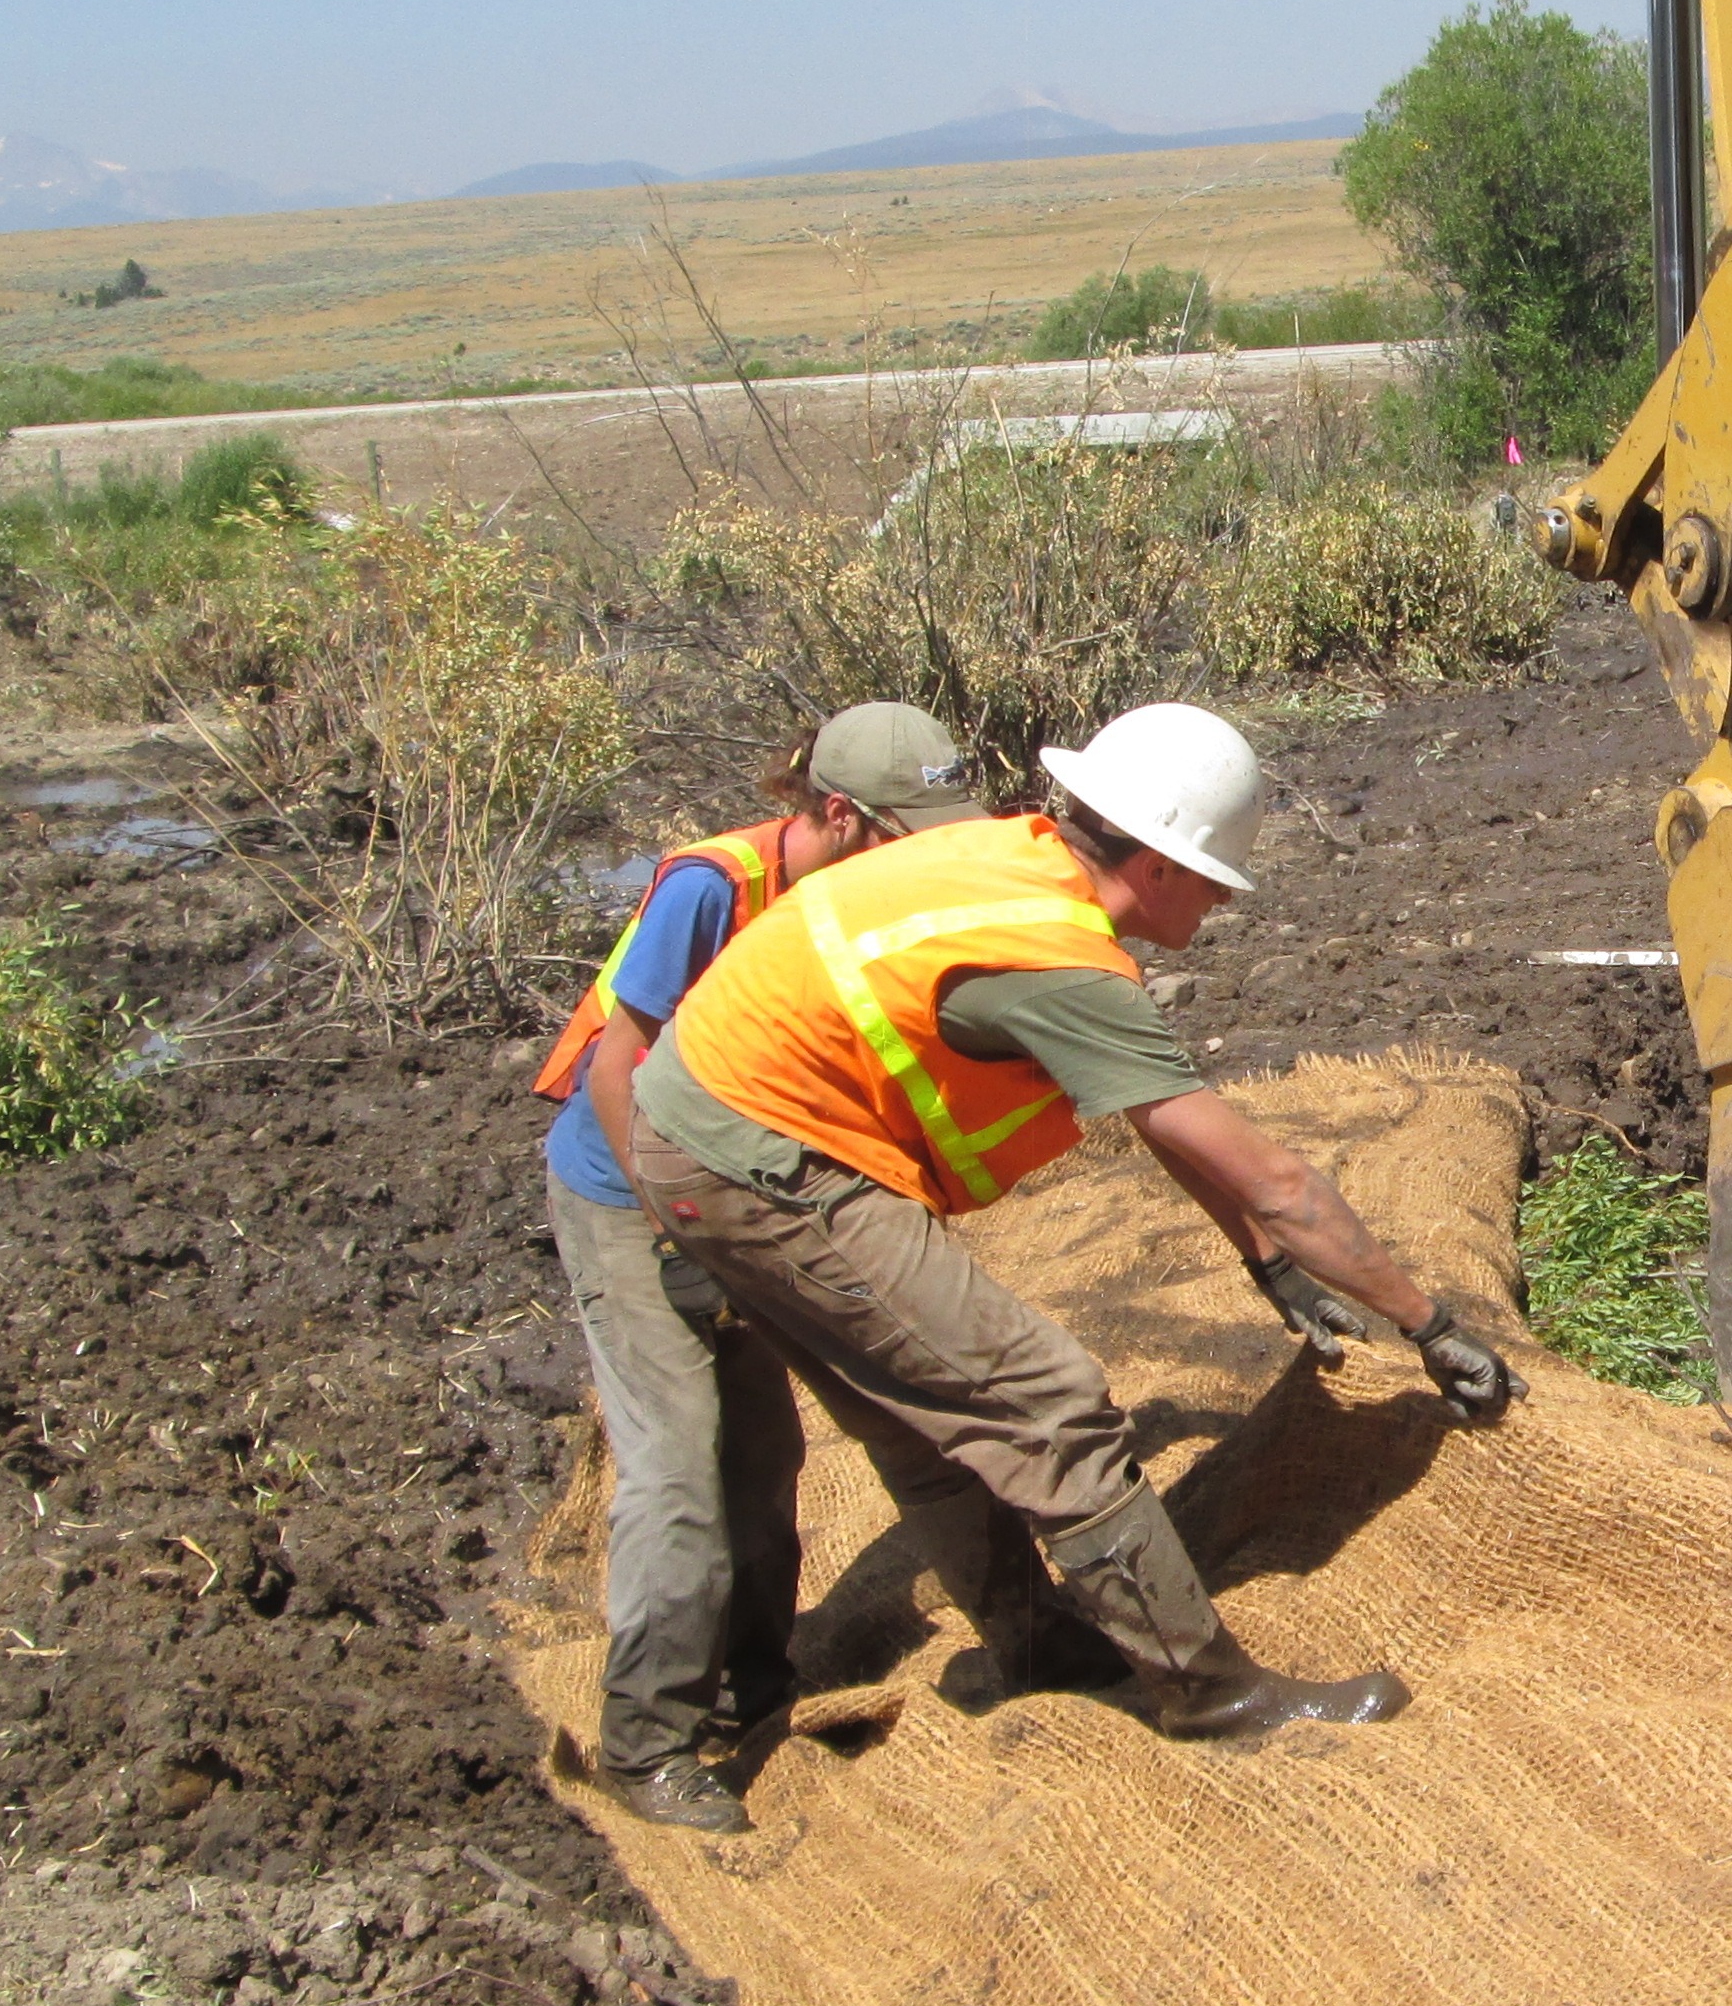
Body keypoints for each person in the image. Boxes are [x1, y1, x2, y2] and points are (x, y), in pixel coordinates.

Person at [619, 700, 1512, 1786]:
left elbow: (1168, 1130)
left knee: (922, 1424)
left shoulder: (1008, 861)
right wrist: (1429, 1323)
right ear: (1162, 864)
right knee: (1045, 1399)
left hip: (696, 1128)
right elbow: (1276, 1181)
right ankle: (1213, 1693)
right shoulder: (1058, 962)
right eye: (1219, 874)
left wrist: (1263, 1263)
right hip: (755, 1162)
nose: (1226, 899)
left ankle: (1044, 1652)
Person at [537, 701, 985, 1834]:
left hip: (728, 1193)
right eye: (903, 833)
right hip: (628, 1193)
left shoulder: (856, 896)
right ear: (836, 815)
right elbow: (616, 1059)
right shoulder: (713, 887)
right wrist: (671, 1220)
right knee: (677, 1463)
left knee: (765, 1457)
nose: (920, 857)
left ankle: (752, 1686)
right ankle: (647, 1742)